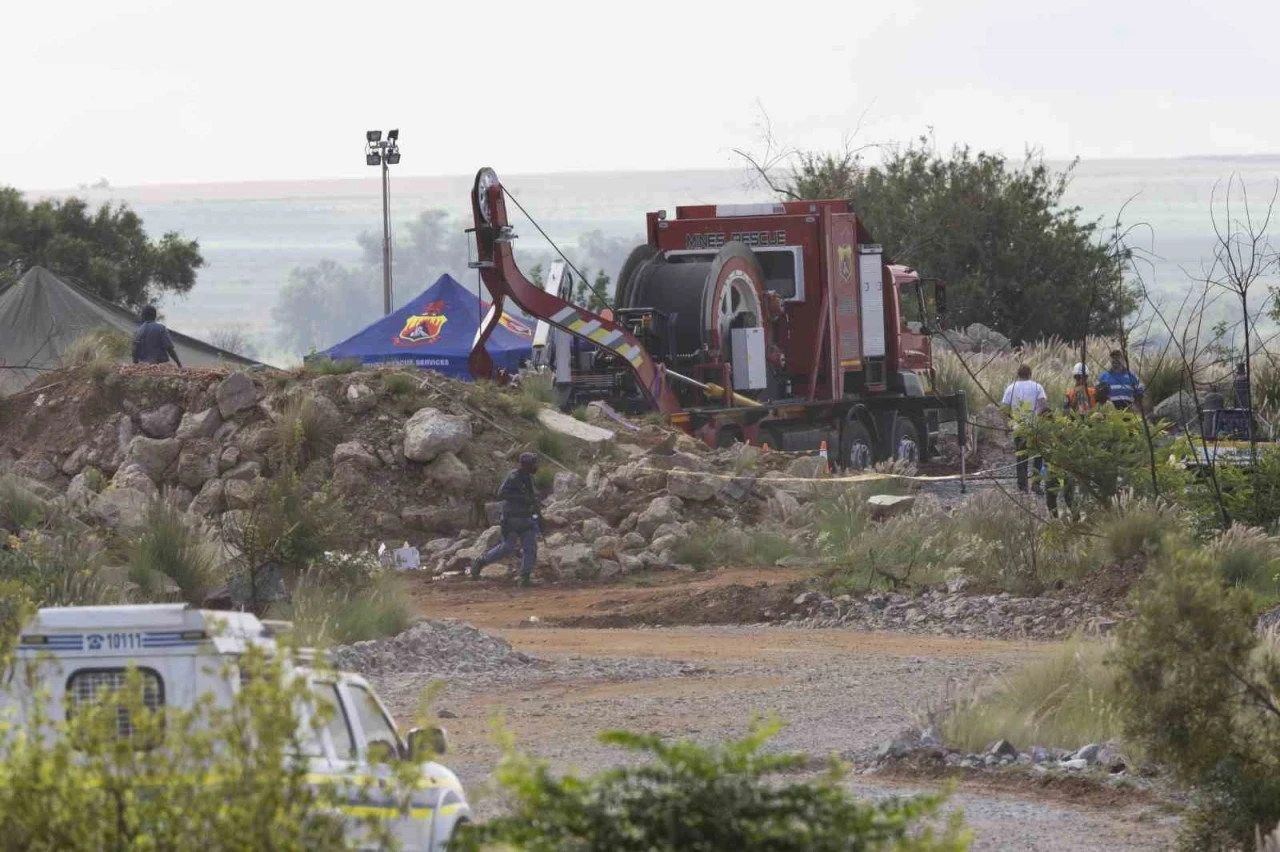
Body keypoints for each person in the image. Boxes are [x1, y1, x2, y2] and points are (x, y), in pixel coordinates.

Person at [468, 453, 542, 586]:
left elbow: (532, 499)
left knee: (530, 548)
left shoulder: (529, 478)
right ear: (525, 465)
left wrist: (538, 514)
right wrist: (521, 498)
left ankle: (524, 577)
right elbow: (501, 494)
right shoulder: (514, 477)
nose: (535, 467)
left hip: (526, 518)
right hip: (511, 519)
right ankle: (480, 562)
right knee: (507, 547)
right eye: (533, 464)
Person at [1001, 364, 1049, 494]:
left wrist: (1006, 426)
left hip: (1018, 428)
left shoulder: (1011, 388)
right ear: (1030, 374)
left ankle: (1022, 487)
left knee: (1021, 457)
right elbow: (1044, 406)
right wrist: (1041, 421)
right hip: (1035, 427)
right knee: (1038, 455)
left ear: (1018, 374)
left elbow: (1004, 408)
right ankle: (1036, 483)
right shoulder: (1037, 387)